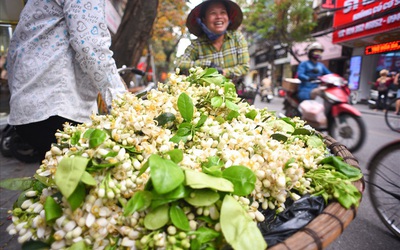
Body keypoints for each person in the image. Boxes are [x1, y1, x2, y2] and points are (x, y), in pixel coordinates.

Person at [7, 0, 127, 159]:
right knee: (84, 177)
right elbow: (90, 45)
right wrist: (123, 102)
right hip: (58, 105)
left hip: (29, 109)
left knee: (58, 175)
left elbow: (14, 52)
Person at [177, 0, 250, 79]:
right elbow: (180, 64)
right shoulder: (197, 44)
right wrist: (207, 64)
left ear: (228, 17)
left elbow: (244, 67)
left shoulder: (236, 37)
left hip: (234, 89)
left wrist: (222, 72)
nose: (219, 17)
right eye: (213, 13)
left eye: (223, 12)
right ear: (204, 20)